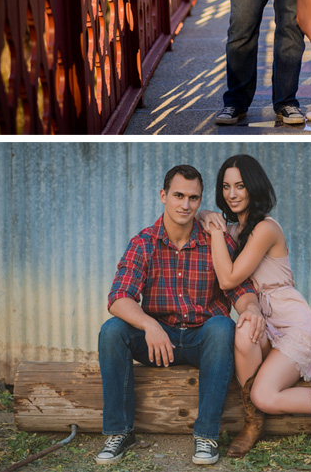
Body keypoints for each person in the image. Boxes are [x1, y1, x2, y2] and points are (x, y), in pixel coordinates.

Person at [198, 155, 311, 459]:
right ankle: (253, 423)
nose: (232, 194)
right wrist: (207, 214)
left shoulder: (266, 229)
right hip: (265, 323)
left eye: (240, 186)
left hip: (293, 324)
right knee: (243, 330)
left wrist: (215, 230)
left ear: (254, 188)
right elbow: (202, 220)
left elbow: (228, 278)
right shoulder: (233, 232)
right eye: (226, 186)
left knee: (264, 394)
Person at [96, 165, 264, 466]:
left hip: (203, 339)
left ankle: (207, 435)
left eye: (193, 198)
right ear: (164, 196)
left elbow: (240, 290)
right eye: (178, 195)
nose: (185, 205)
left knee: (223, 326)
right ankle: (119, 432)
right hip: (159, 341)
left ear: (200, 202)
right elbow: (118, 297)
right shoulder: (144, 242)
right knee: (112, 331)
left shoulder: (216, 239)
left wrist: (251, 308)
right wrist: (149, 324)